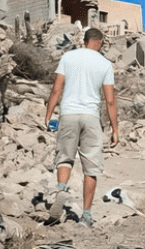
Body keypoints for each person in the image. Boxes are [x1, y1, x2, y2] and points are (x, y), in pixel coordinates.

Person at [44, 27, 119, 226]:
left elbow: (56, 89)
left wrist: (48, 115)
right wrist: (115, 130)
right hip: (91, 117)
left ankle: (61, 190)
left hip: (68, 114)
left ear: (84, 41)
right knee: (91, 168)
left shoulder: (68, 58)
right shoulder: (104, 64)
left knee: (65, 158)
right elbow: (110, 101)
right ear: (100, 42)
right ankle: (86, 215)